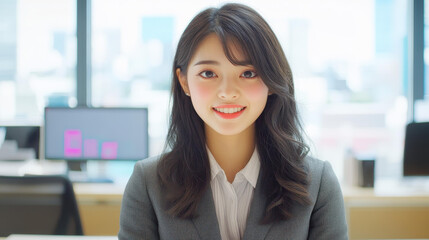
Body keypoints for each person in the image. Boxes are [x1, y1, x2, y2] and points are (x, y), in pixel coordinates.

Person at [119, 3, 348, 240]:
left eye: (248, 73)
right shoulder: (148, 183)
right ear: (184, 81)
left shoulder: (318, 183)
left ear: (271, 80)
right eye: (208, 73)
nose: (227, 92)